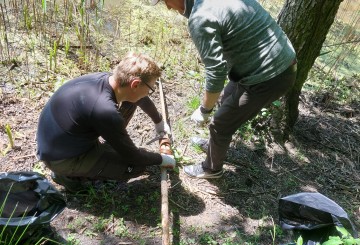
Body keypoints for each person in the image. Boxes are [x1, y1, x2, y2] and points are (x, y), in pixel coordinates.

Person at [151, 0, 297, 179]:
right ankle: (214, 144)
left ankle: (211, 169)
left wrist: (205, 110)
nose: (167, 7)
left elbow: (216, 71)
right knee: (225, 99)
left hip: (270, 76)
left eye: (165, 1)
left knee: (221, 123)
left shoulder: (200, 17)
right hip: (277, 62)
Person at [37, 52, 176, 192]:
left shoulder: (108, 80)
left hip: (58, 141)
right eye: (150, 89)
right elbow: (134, 156)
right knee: (136, 167)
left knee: (130, 102)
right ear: (135, 84)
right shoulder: (105, 111)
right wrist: (162, 159)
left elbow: (139, 97)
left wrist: (158, 122)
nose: (148, 93)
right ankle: (69, 177)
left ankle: (108, 148)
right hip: (62, 159)